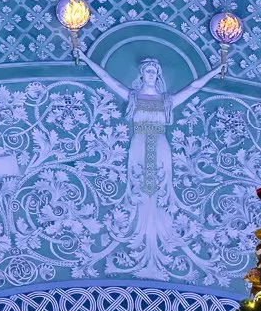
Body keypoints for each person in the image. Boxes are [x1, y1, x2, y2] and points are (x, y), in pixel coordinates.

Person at [75, 49, 222, 278]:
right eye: (148, 71)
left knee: (161, 189)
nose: (152, 74)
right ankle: (136, 231)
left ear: (158, 74)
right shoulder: (133, 96)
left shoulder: (166, 100)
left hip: (161, 145)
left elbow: (193, 88)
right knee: (137, 186)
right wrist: (85, 59)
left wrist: (214, 71)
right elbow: (108, 79)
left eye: (155, 71)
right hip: (139, 143)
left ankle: (160, 233)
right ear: (142, 75)